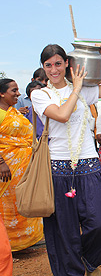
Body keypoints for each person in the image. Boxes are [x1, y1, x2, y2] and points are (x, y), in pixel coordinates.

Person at [31, 43, 101, 276]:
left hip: (89, 166)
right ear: (43, 67)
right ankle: (69, 270)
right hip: (58, 168)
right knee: (64, 230)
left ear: (67, 64)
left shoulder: (84, 89)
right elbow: (62, 115)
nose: (54, 69)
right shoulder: (40, 94)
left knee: (99, 225)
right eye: (48, 65)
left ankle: (84, 259)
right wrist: (76, 89)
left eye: (58, 64)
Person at [0, 78, 43, 252]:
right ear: (2, 94)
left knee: (23, 204)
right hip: (6, 171)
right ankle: (7, 246)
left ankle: (23, 244)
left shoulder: (15, 112)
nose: (18, 94)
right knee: (7, 207)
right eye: (14, 90)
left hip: (23, 171)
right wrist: (1, 163)